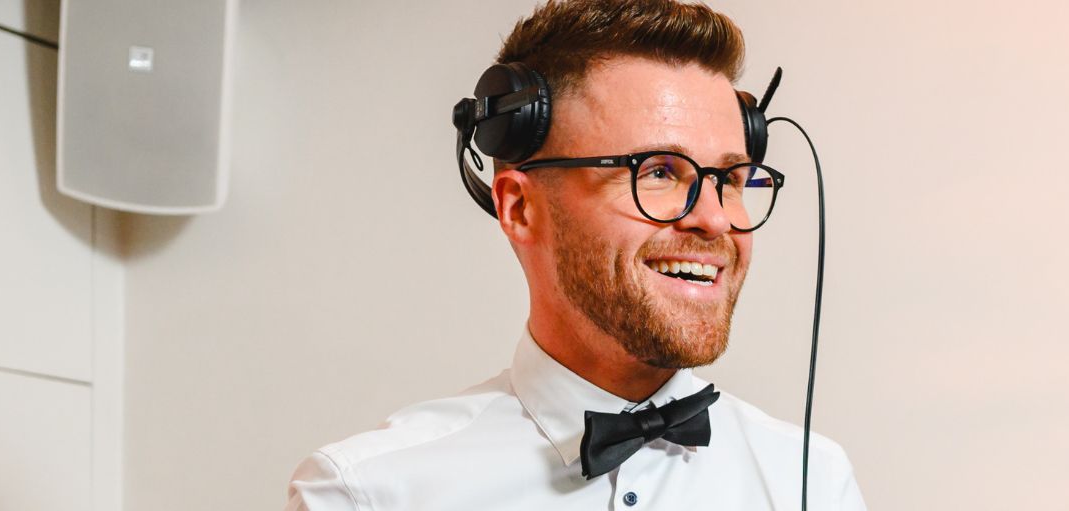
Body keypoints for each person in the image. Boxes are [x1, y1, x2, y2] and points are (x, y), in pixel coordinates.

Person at [284, 0, 864, 509]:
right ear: (520, 208)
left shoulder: (813, 483)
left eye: (731, 179)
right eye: (658, 172)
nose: (714, 219)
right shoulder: (365, 494)